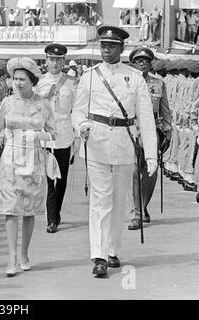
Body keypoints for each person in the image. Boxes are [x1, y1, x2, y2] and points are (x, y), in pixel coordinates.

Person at [71, 26, 158, 277]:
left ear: (121, 48)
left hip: (123, 144)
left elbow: (146, 119)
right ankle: (97, 255)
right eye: (103, 45)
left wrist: (150, 154)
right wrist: (81, 126)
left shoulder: (134, 77)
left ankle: (112, 251)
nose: (106, 49)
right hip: (96, 143)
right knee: (100, 201)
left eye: (111, 45)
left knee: (118, 201)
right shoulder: (89, 75)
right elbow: (77, 112)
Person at [0, 57, 56, 276]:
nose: (17, 83)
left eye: (22, 79)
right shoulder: (7, 103)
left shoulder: (43, 104)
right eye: (15, 79)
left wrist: (37, 134)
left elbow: (53, 134)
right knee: (10, 209)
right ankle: (11, 257)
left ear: (32, 80)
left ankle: (24, 253)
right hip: (11, 158)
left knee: (28, 210)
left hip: (34, 158)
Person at [128, 47, 172, 231]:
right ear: (133, 64)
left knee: (151, 172)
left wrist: (169, 132)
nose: (142, 64)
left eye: (145, 61)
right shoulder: (127, 82)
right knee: (135, 171)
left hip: (153, 130)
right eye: (138, 61)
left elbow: (165, 110)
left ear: (150, 63)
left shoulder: (159, 84)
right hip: (132, 129)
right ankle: (136, 213)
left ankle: (143, 205)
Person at [36, 44, 78, 234]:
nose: (54, 63)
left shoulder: (71, 82)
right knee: (49, 177)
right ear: (46, 61)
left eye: (58, 60)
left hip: (64, 133)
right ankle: (51, 218)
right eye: (51, 59)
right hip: (46, 134)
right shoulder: (39, 82)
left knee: (61, 178)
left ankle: (56, 212)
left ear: (63, 61)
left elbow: (76, 110)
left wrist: (77, 137)